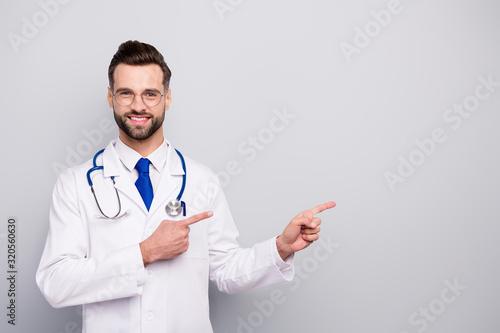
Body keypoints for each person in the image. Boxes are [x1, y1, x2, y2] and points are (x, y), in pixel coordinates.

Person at [36, 40, 335, 333]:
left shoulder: (201, 180)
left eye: (150, 94)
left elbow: (226, 270)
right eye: (126, 93)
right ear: (110, 97)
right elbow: (56, 283)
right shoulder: (76, 183)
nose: (138, 105)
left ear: (167, 98)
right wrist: (144, 252)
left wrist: (280, 248)